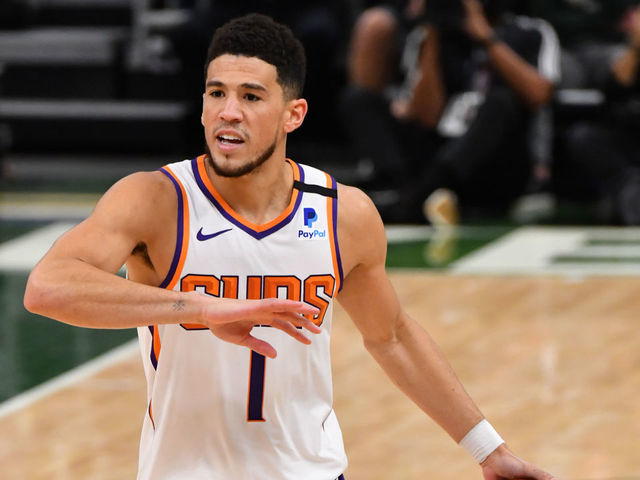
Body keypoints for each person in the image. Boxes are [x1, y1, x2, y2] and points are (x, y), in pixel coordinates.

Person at [24, 14, 557, 480]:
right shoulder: (155, 200)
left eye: (251, 97)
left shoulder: (342, 213)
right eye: (217, 92)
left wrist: (488, 449)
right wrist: (202, 307)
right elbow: (48, 287)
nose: (228, 112)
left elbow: (391, 336)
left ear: (292, 115)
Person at [341, 0, 560, 223]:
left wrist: (485, 38)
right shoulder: (433, 36)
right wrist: (433, 35)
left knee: (501, 102)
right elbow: (425, 116)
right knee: (358, 99)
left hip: (497, 163)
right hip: (440, 151)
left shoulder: (532, 32)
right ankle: (405, 190)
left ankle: (412, 201)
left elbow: (539, 94)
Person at [562, 4, 640, 225]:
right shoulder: (626, 57)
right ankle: (628, 188)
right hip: (629, 142)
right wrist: (636, 47)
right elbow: (611, 90)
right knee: (584, 137)